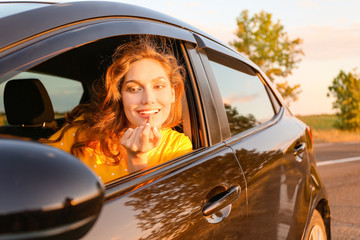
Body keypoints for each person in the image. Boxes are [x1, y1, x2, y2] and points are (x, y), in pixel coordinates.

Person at [44, 37, 192, 183]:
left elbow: (154, 206)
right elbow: (33, 169)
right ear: (120, 97)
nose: (148, 99)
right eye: (134, 89)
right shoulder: (84, 132)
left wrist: (137, 158)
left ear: (173, 93)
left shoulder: (178, 147)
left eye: (158, 86)